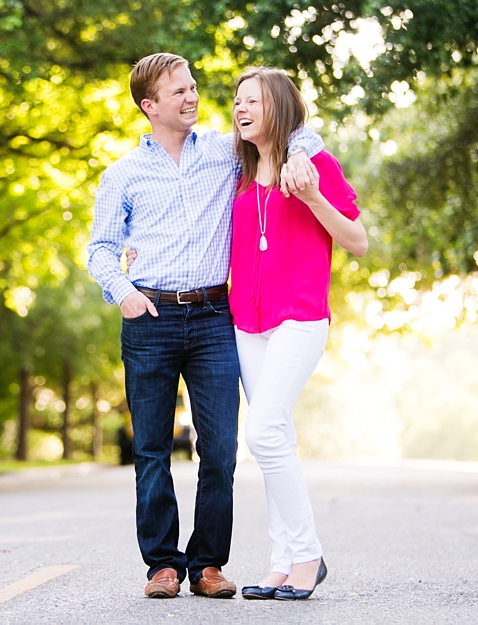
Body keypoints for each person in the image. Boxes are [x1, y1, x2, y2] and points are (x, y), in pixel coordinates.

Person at [86, 53, 323, 599]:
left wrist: (304, 157)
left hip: (217, 315)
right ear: (150, 106)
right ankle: (162, 566)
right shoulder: (122, 174)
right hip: (149, 315)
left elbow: (290, 132)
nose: (192, 98)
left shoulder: (224, 152)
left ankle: (209, 564)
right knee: (151, 447)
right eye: (178, 92)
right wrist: (122, 293)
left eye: (193, 88)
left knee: (219, 448)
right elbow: (100, 249)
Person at [230, 67, 369, 601]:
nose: (241, 109)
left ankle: (308, 554)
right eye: (237, 101)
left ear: (280, 108)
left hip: (301, 317)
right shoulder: (236, 167)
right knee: (275, 439)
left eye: (254, 102)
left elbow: (356, 240)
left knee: (262, 430)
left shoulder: (314, 165)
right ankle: (281, 561)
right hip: (248, 321)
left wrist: (312, 196)